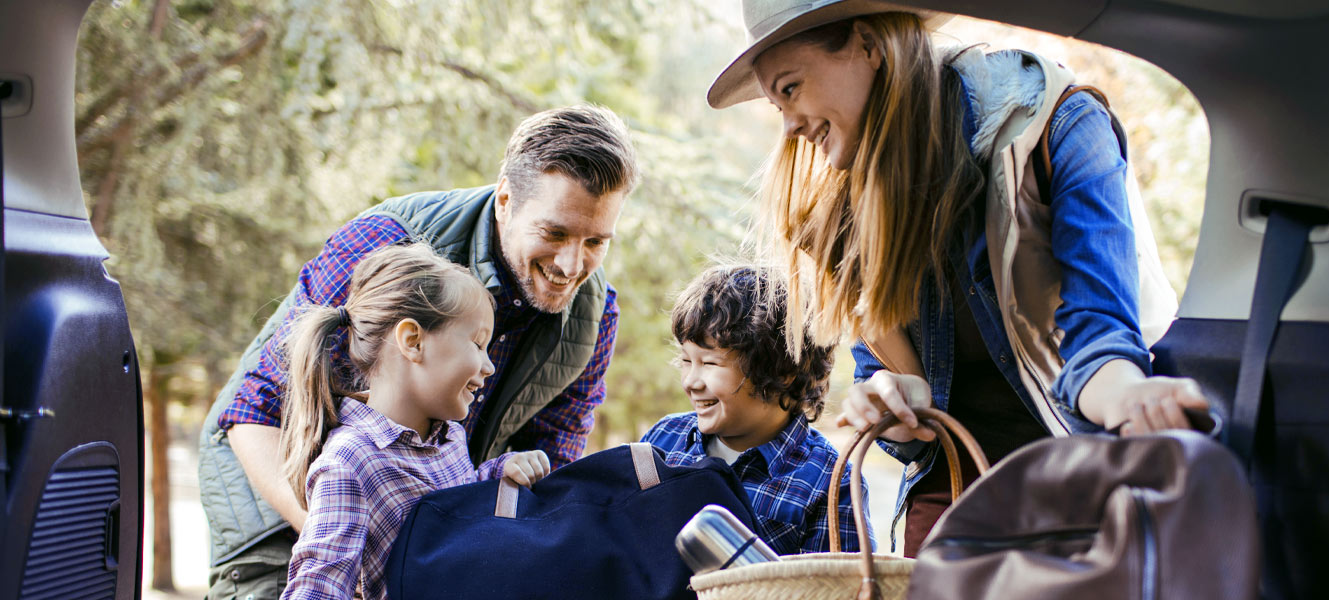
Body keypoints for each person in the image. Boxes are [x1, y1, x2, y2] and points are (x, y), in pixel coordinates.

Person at [708, 1, 1211, 556]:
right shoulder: (843, 215)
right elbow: (895, 393)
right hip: (953, 505)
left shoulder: (1060, 126)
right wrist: (892, 401)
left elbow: (1102, 342)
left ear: (868, 45)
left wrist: (1133, 398)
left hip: (1079, 485)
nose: (790, 127)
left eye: (789, 88)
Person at [197, 104, 638, 599]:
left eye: (596, 241)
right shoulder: (384, 244)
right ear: (506, 200)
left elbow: (547, 468)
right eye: (554, 233)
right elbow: (255, 410)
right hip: (284, 506)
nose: (571, 263)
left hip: (422, 541)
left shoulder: (595, 317)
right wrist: (360, 551)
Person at [273, 244, 548, 599]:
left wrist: (499, 473)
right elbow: (319, 587)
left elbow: (457, 512)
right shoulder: (349, 463)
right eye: (478, 344)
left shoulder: (448, 438)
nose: (488, 366)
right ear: (413, 341)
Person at [641, 265, 872, 555]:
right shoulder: (662, 439)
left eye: (710, 364)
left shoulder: (831, 483)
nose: (690, 382)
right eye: (687, 361)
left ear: (783, 370)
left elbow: (839, 588)